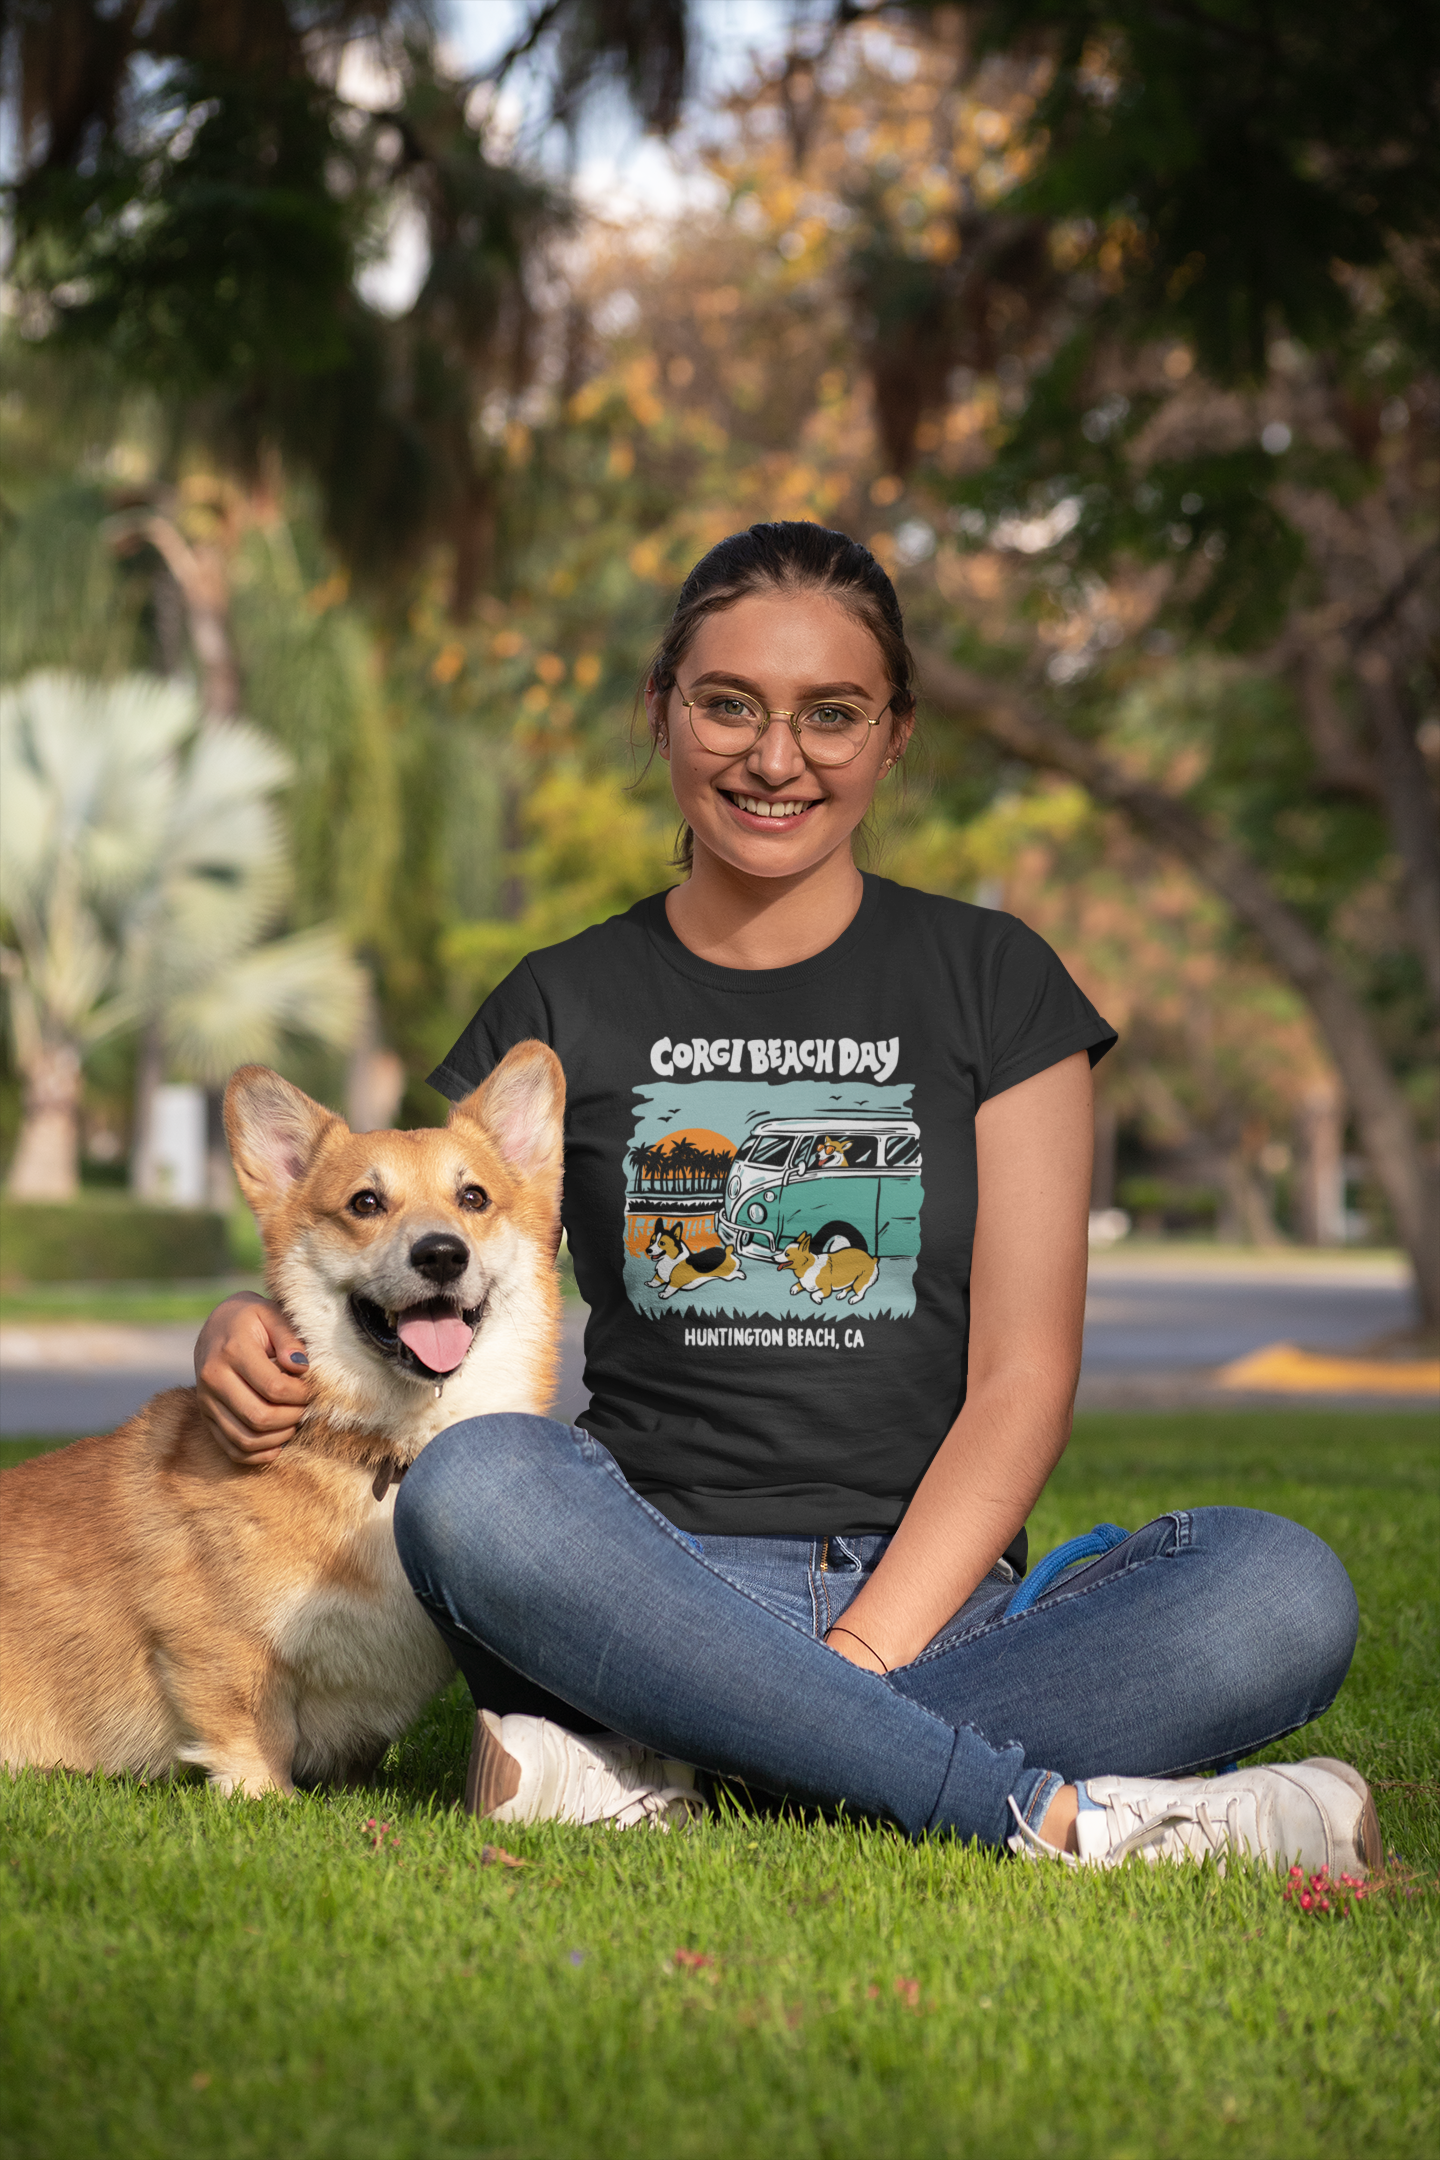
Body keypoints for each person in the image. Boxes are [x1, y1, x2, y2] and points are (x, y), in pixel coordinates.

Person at [195, 522, 1378, 1872]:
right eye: (728, 705)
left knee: (1282, 1591)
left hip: (936, 1599)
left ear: (895, 733)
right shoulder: (562, 997)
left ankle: (679, 1765)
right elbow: (392, 1221)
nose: (776, 758)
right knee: (473, 1487)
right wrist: (237, 1326)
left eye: (831, 714)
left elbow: (1023, 1383)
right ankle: (1063, 1818)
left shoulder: (997, 983)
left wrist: (858, 1659)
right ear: (661, 712)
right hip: (625, 1584)